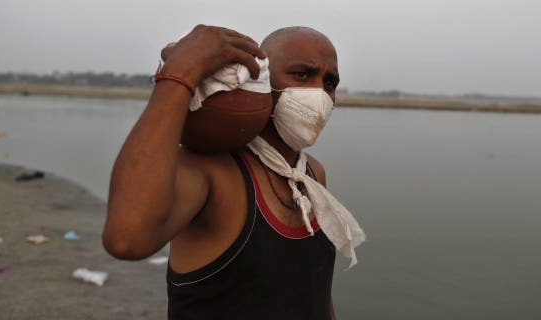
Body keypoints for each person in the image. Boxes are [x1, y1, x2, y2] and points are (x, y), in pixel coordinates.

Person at [103, 25, 363, 319]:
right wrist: (179, 77)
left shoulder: (312, 174)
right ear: (261, 80)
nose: (318, 92)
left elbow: (314, 290)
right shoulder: (211, 170)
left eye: (329, 82)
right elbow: (126, 239)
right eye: (301, 75)